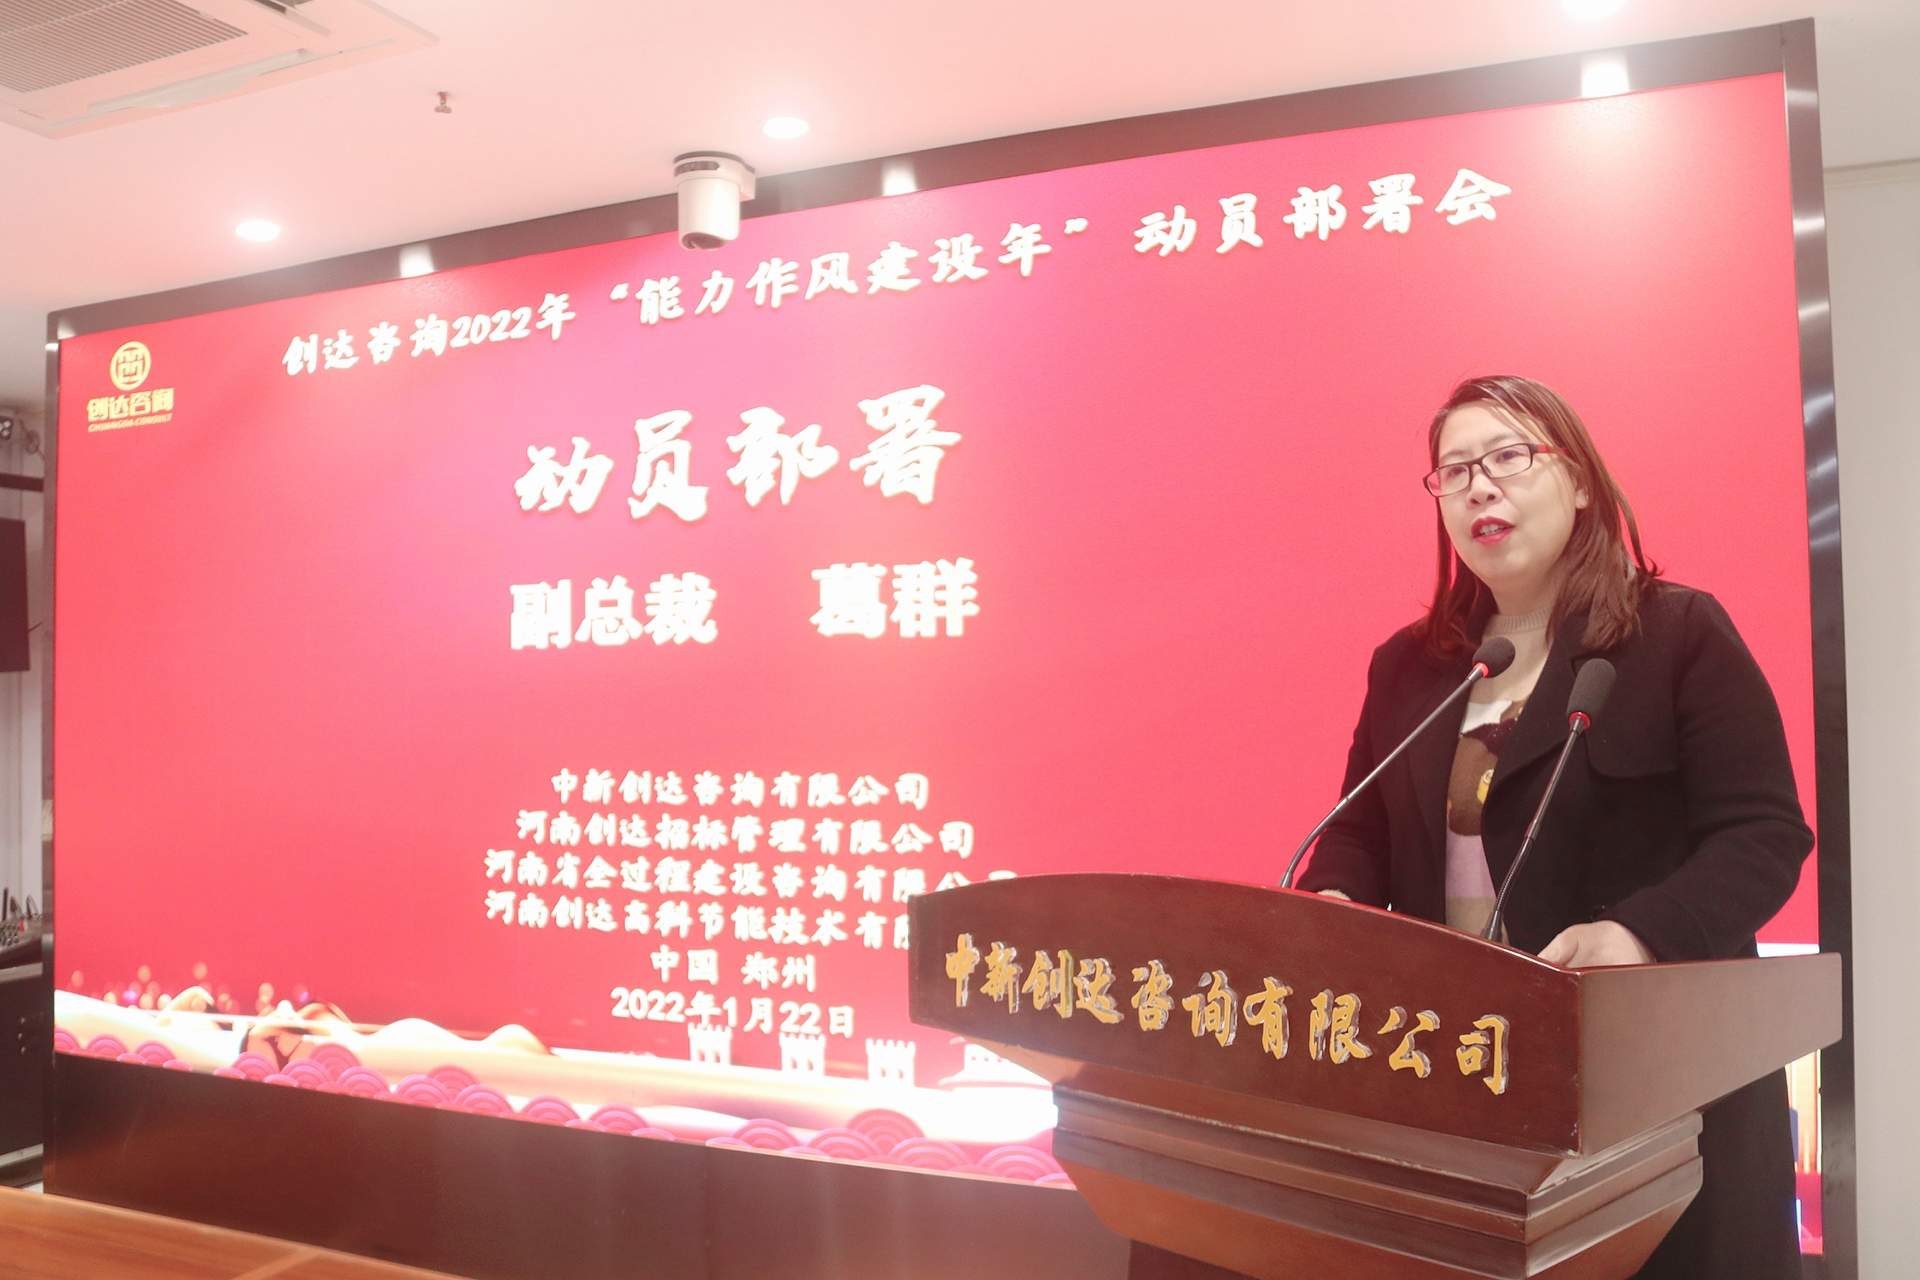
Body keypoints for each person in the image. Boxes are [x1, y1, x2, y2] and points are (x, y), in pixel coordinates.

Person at [1297, 375, 1812, 1280]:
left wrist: (1640, 934)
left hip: (1657, 1086)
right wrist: (1332, 898)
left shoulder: (1674, 634)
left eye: (1507, 457)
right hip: (1468, 1077)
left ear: (1578, 481)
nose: (1479, 487)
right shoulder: (1412, 667)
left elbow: (1763, 833)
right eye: (1455, 471)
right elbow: (1362, 831)